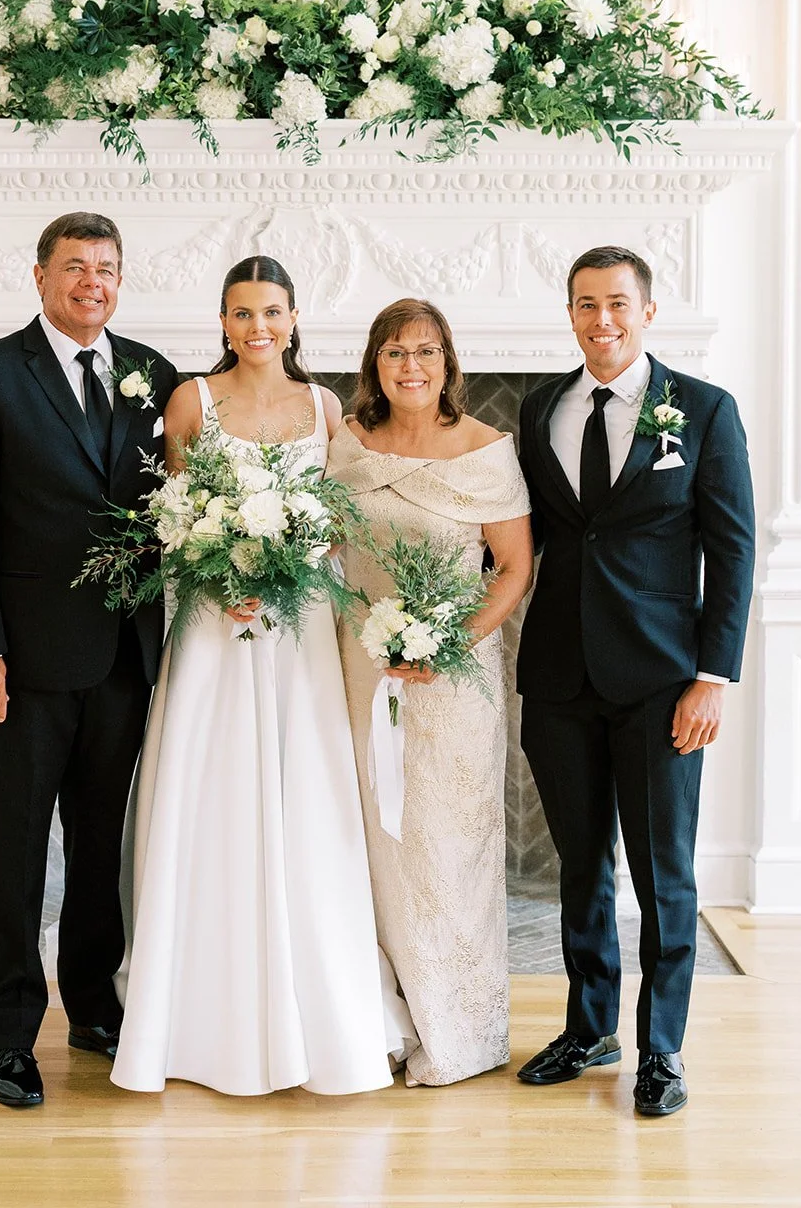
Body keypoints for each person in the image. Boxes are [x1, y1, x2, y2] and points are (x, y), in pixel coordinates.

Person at [110, 256, 397, 1097]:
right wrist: (217, 571)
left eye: (271, 311)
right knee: (213, 790)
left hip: (299, 631)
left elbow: (335, 522)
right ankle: (195, 1013)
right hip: (214, 626)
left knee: (307, 795)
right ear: (223, 321)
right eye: (241, 313)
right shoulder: (191, 400)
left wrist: (288, 568)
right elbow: (172, 514)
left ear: (294, 318)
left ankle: (318, 1007)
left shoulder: (324, 406)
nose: (257, 327)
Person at [0, 211, 178, 1108]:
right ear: (39, 277)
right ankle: (6, 1034)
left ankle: (93, 1010)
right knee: (17, 850)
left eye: (105, 268)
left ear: (120, 279)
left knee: (102, 847)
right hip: (21, 665)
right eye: (74, 267)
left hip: (124, 657)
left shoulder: (153, 374)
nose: (90, 283)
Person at [515, 245, 755, 1117]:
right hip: (556, 676)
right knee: (579, 865)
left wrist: (711, 677)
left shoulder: (702, 409)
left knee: (663, 873)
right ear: (570, 314)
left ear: (647, 311)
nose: (601, 319)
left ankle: (661, 1047)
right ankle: (589, 1028)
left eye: (617, 302)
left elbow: (732, 550)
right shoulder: (539, 407)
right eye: (585, 304)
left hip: (661, 681)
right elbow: (532, 535)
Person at [328, 299, 534, 1087]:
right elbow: (324, 549)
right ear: (373, 364)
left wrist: (447, 644)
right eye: (393, 352)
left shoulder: (486, 450)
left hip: (453, 681)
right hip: (360, 671)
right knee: (369, 846)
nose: (409, 366)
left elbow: (511, 570)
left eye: (424, 351)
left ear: (448, 362)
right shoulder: (348, 444)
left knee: (445, 847)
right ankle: (379, 1023)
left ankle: (455, 1029)